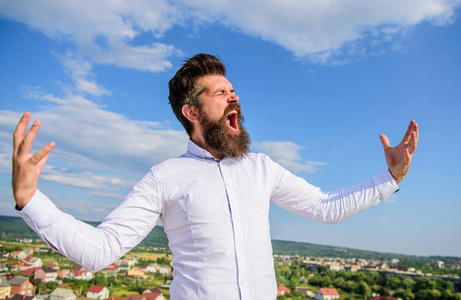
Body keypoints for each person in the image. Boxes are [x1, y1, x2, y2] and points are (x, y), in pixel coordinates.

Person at [12, 54, 418, 299]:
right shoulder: (164, 177)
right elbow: (101, 250)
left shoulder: (261, 167)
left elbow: (326, 208)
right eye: (221, 92)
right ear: (192, 112)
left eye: (234, 90)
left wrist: (391, 176)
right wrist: (31, 198)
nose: (234, 96)